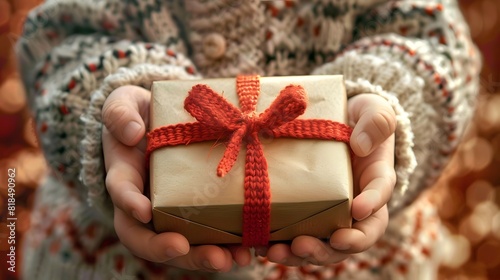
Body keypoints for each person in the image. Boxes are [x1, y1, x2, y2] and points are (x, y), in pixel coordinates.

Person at [16, 0, 481, 279]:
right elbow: (57, 38)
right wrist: (105, 115)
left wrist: (386, 105)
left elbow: (435, 42)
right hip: (106, 261)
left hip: (366, 264)